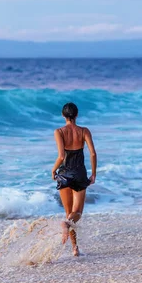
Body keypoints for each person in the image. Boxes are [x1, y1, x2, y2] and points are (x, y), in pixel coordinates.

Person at [51, 102, 97, 257]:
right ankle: (75, 248)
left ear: (63, 116)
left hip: (64, 174)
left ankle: (75, 247)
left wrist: (53, 169)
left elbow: (61, 156)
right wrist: (93, 174)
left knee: (68, 213)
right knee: (76, 214)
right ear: (77, 115)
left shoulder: (59, 132)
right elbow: (92, 154)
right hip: (79, 173)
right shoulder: (84, 131)